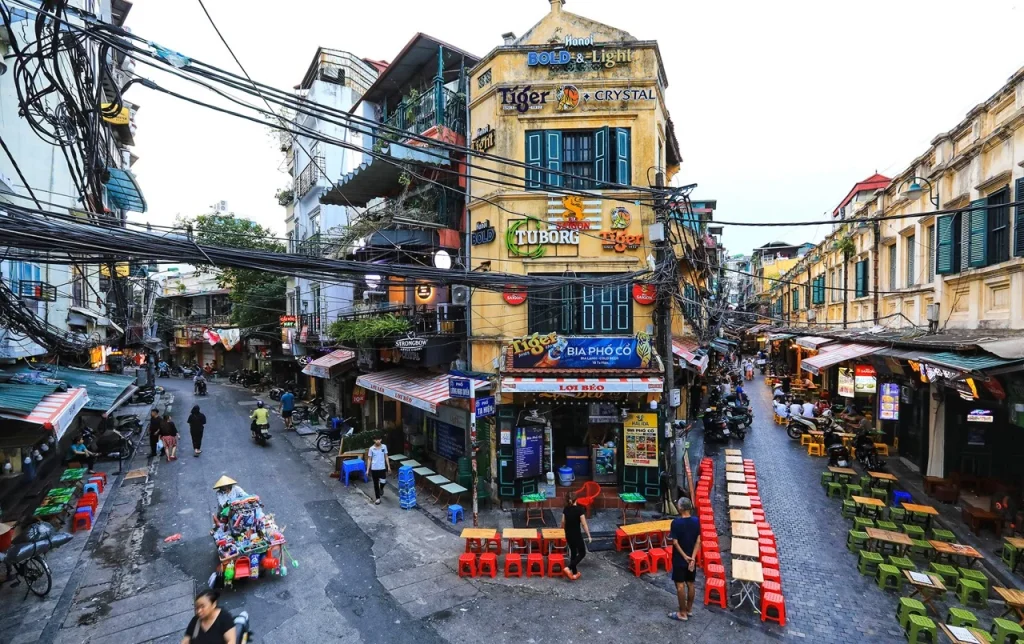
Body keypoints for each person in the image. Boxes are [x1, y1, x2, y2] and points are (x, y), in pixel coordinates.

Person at [668, 497, 701, 622]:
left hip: (680, 558)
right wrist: (692, 558)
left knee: (680, 585)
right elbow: (698, 540)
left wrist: (684, 556)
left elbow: (675, 543)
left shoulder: (676, 523)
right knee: (691, 583)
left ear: (680, 508)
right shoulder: (696, 521)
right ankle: (689, 609)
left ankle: (682, 613)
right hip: (692, 558)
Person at [560, 491, 592, 580]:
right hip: (577, 534)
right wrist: (588, 535)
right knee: (582, 553)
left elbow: (563, 522)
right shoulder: (580, 510)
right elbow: (584, 524)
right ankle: (568, 567)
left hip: (568, 534)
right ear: (576, 499)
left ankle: (574, 573)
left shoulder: (565, 509)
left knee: (573, 552)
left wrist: (561, 530)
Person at [365, 436, 390, 505]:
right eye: (376, 440)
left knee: (383, 481)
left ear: (381, 439)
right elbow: (369, 459)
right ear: (374, 440)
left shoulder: (384, 447)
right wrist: (367, 470)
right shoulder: (371, 449)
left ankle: (381, 488)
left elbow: (386, 456)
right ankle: (378, 498)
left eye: (379, 439)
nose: (378, 441)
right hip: (374, 468)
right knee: (375, 484)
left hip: (382, 467)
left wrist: (388, 466)